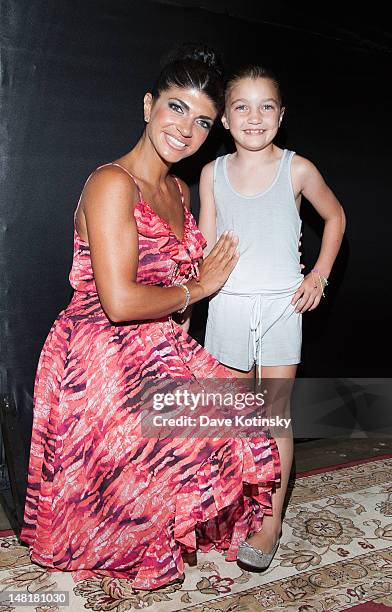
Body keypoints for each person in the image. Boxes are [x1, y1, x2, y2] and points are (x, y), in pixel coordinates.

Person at [20, 48, 281, 589]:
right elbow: (119, 301)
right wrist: (200, 286)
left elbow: (175, 298)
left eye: (203, 120)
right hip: (97, 357)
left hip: (155, 343)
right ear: (148, 105)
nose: (186, 129)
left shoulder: (179, 191)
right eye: (176, 108)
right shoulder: (112, 183)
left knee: (243, 416)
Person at [198, 64, 346, 567]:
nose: (254, 117)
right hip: (227, 308)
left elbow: (335, 217)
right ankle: (233, 507)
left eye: (266, 107)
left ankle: (270, 523)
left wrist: (318, 276)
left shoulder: (297, 169)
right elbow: (204, 246)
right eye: (241, 106)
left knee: (274, 417)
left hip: (283, 307)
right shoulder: (211, 173)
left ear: (281, 116)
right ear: (223, 118)